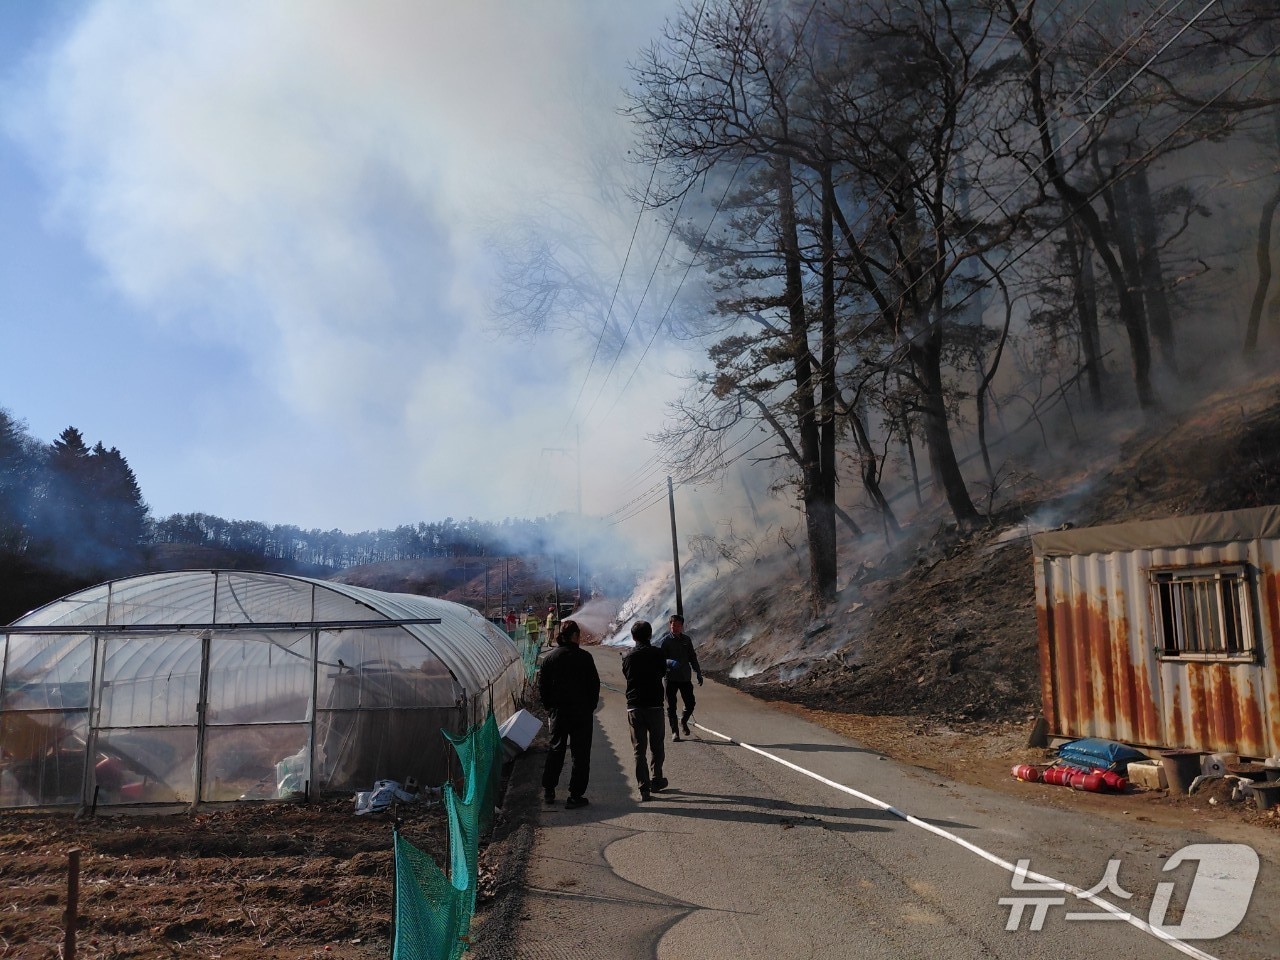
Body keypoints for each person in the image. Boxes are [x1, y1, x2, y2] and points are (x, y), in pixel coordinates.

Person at [537, 620, 600, 808]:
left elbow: (543, 686)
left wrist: (550, 706)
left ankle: (549, 790)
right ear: (574, 636)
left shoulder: (550, 658)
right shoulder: (585, 657)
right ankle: (575, 795)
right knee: (580, 754)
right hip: (581, 713)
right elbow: (594, 686)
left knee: (556, 749)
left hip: (559, 712)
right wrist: (590, 707)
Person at [621, 620, 668, 802]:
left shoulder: (628, 656)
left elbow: (627, 675)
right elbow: (663, 672)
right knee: (657, 745)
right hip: (655, 706)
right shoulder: (658, 653)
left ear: (633, 637)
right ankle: (657, 779)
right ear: (650, 635)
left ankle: (644, 788)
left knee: (639, 750)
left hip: (635, 707)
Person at [657, 613, 702, 741]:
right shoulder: (665, 641)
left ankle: (683, 720)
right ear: (669, 625)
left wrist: (698, 672)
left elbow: (692, 657)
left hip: (685, 677)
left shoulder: (686, 640)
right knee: (671, 706)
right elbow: (660, 659)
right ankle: (675, 732)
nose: (674, 627)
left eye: (677, 625)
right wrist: (669, 662)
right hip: (670, 678)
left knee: (690, 703)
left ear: (682, 626)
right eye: (672, 625)